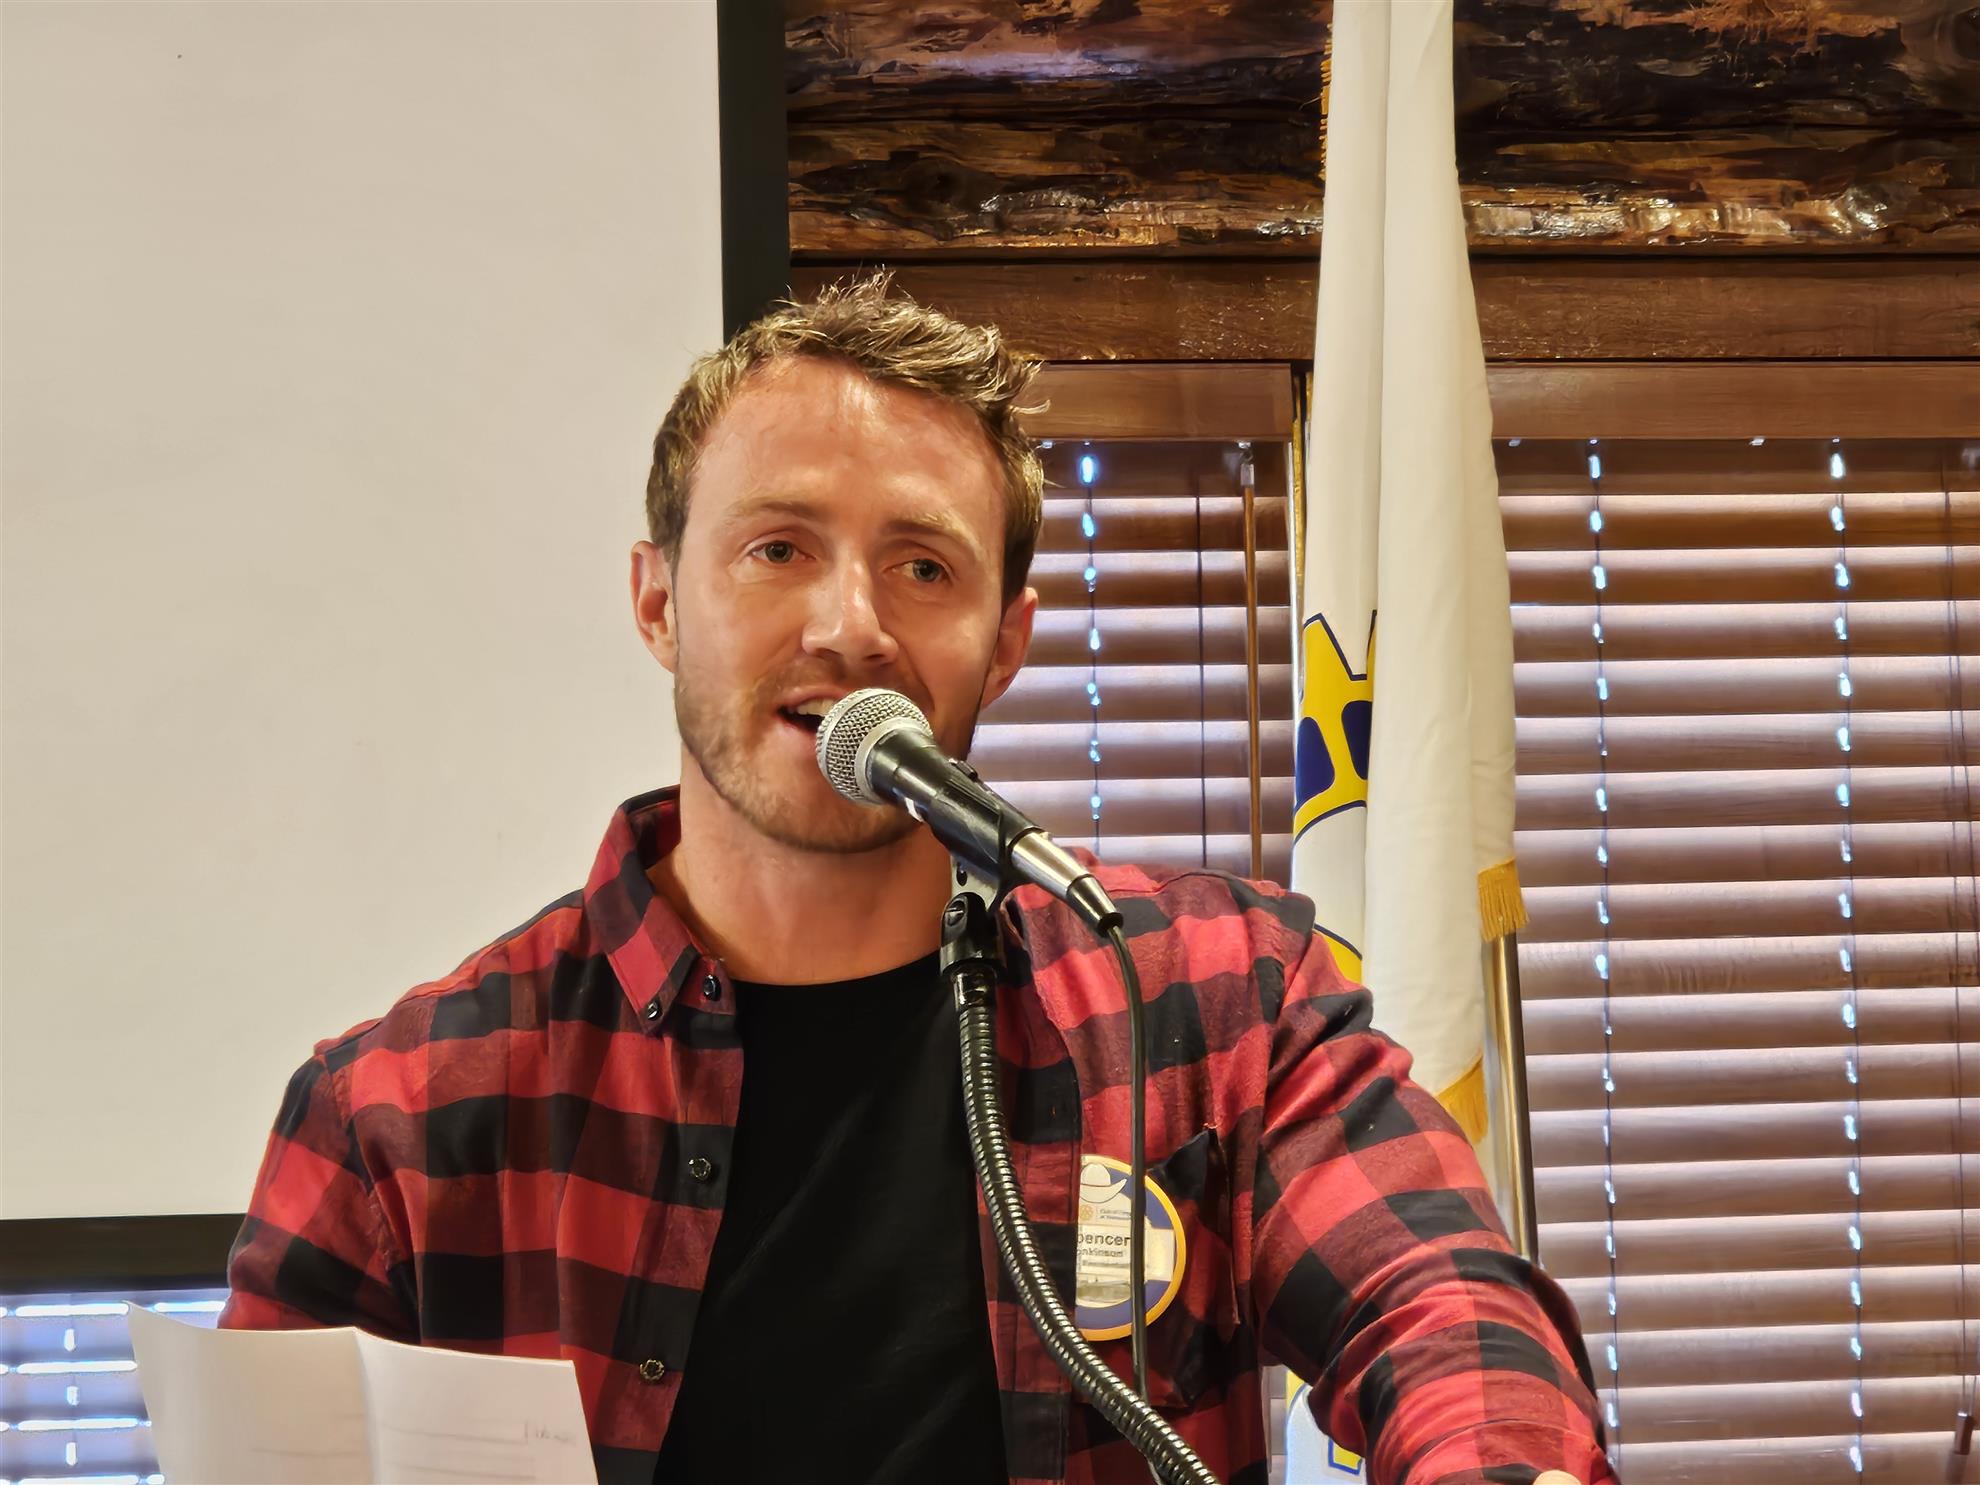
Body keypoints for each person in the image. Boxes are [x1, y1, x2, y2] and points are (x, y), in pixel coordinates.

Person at [220, 276, 1613, 1485]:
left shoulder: (1215, 1000)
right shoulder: (397, 1114)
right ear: (657, 601)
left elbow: (1441, 1302)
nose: (850, 627)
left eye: (923, 566)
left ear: (1006, 643)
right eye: (778, 549)